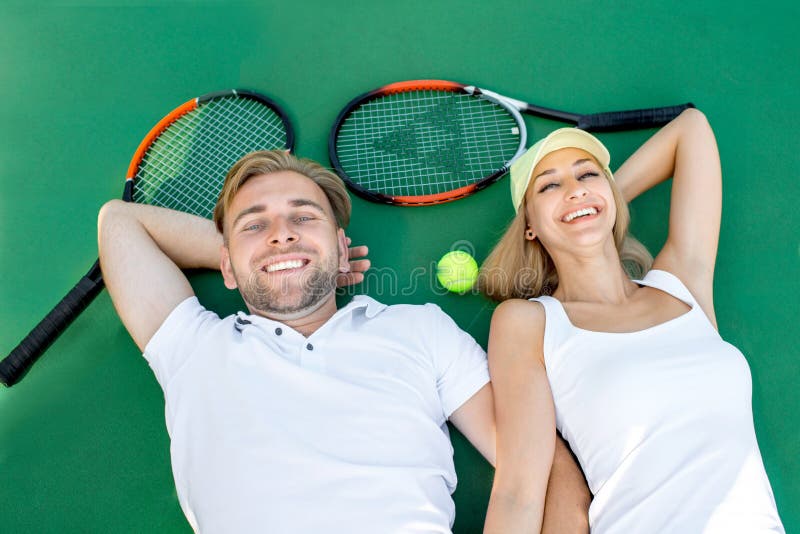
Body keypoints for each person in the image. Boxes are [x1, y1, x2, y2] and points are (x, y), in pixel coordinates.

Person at [98, 150, 589, 533]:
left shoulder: (421, 331)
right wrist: (265, 260)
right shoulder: (194, 348)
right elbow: (120, 222)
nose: (282, 233)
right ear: (224, 264)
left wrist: (287, 256)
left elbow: (547, 467)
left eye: (303, 218)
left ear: (341, 247)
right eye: (255, 223)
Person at [479, 109, 785, 533]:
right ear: (529, 226)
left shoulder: (682, 285)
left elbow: (691, 128)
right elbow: (518, 492)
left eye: (588, 175)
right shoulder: (529, 322)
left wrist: (595, 205)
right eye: (549, 185)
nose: (574, 189)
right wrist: (578, 210)